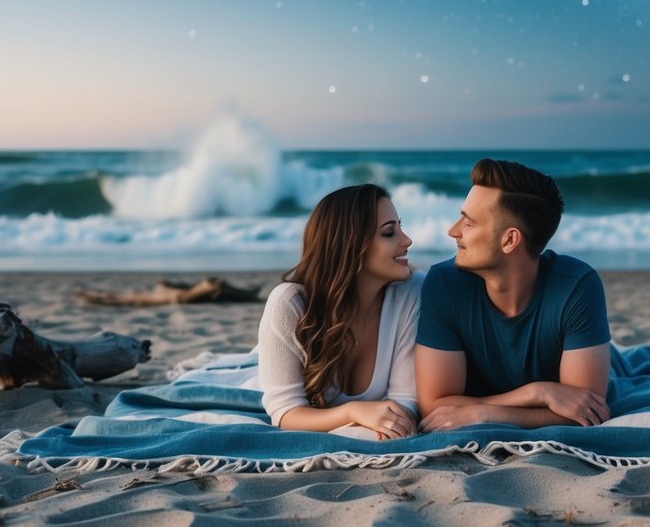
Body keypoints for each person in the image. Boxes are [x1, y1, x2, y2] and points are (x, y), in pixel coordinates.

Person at [415, 158, 612, 431]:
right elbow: (434, 406)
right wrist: (538, 393)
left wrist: (482, 413)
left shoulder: (576, 286)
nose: (453, 231)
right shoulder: (444, 284)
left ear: (509, 240)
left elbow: (587, 411)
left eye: (469, 224)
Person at [258, 184, 422, 440]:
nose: (407, 240)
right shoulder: (290, 304)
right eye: (389, 232)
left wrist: (382, 420)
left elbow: (405, 404)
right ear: (350, 245)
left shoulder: (411, 291)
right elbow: (286, 412)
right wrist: (352, 412)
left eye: (400, 227)